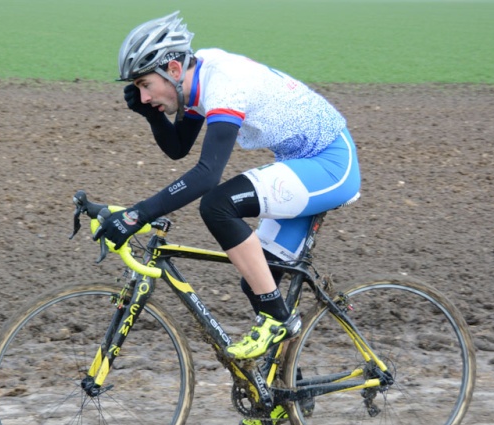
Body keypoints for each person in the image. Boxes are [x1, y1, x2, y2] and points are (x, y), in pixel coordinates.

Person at [94, 11, 361, 365]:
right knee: (257, 279)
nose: (142, 96)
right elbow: (178, 148)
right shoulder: (197, 77)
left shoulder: (225, 83)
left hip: (329, 164)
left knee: (218, 205)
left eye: (145, 85)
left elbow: (207, 176)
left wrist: (136, 215)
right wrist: (153, 115)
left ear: (173, 70)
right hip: (300, 163)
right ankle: (281, 390)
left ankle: (279, 320)